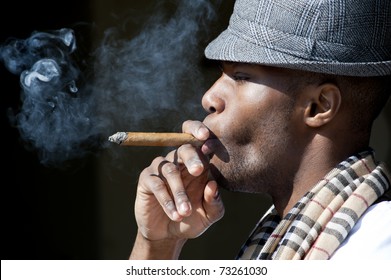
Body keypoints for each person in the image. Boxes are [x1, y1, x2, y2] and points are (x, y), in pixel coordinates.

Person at [129, 0, 391, 260]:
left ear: (317, 106)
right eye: (222, 73)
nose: (209, 98)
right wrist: (158, 245)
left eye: (241, 76)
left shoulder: (376, 247)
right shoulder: (277, 237)